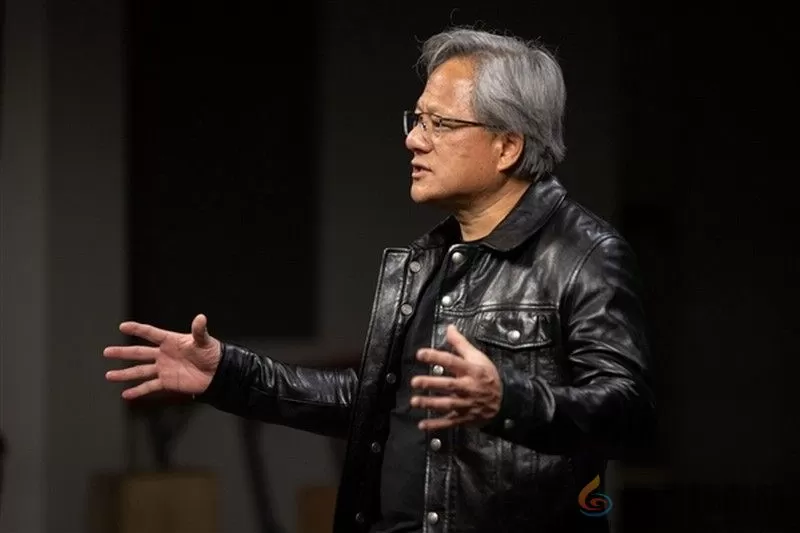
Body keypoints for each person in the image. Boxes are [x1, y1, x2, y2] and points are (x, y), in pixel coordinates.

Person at [104, 26, 655, 533]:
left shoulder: (584, 253)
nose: (415, 140)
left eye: (440, 124)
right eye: (417, 119)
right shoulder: (430, 259)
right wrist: (227, 374)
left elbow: (627, 413)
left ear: (507, 146)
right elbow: (374, 404)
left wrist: (508, 400)